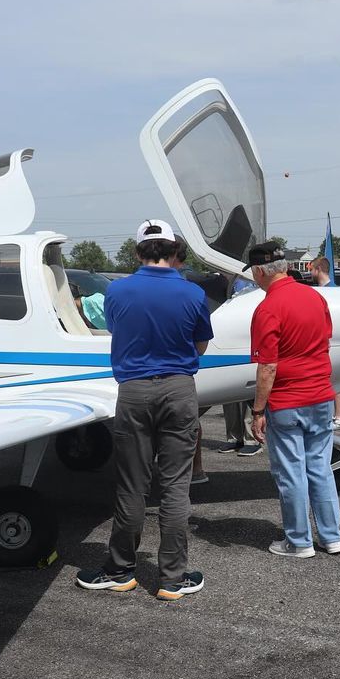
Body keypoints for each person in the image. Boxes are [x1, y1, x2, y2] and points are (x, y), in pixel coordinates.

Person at [76, 219, 213, 600]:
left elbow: (119, 331)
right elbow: (199, 343)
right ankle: (172, 578)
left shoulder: (117, 291)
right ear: (172, 252)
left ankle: (120, 569)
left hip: (134, 391)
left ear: (138, 252)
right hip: (179, 388)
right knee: (175, 486)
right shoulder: (192, 294)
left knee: (132, 484)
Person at [246, 242, 340, 558]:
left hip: (287, 401)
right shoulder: (315, 297)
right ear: (285, 267)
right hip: (320, 396)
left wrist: (257, 410)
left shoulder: (267, 308)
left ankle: (299, 541)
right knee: (320, 468)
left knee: (291, 473)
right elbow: (325, 341)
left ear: (260, 272)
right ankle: (331, 537)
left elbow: (268, 366)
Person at [309, 257, 340, 429]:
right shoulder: (320, 290)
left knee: (334, 380)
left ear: (318, 270)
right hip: (321, 342)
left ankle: (338, 416)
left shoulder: (332, 292)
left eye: (311, 269)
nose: (310, 273)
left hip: (331, 342)